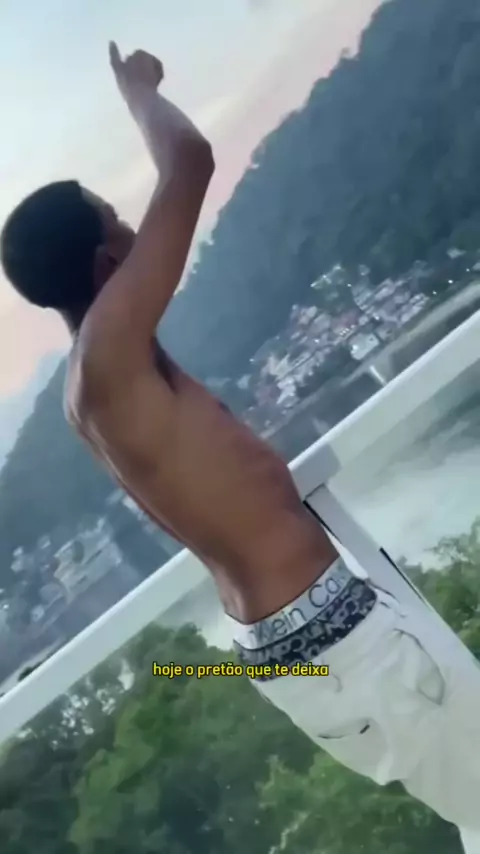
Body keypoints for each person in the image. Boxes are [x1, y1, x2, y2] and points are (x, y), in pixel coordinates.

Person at [3, 45, 480, 849]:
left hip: (314, 642)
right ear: (102, 259)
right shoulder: (108, 358)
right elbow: (189, 161)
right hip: (344, 644)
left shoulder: (94, 382)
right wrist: (139, 91)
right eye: (116, 216)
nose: (138, 225)